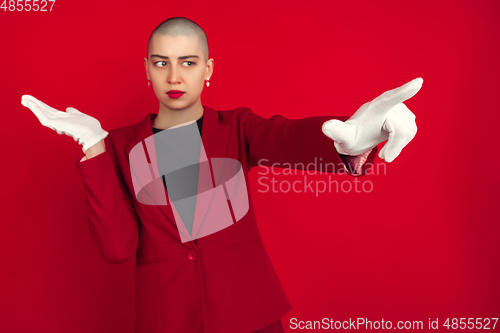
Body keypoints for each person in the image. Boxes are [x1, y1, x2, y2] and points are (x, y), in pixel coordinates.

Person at [21, 16, 422, 333]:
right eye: (161, 63)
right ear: (146, 69)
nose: (174, 76)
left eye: (188, 62)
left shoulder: (238, 129)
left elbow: (290, 137)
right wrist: (93, 147)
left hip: (250, 317)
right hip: (169, 323)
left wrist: (348, 141)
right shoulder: (120, 147)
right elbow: (117, 248)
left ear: (208, 68)